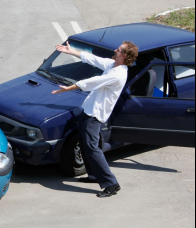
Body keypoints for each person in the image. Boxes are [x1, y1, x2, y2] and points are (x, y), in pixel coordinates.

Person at [52, 41, 139, 198]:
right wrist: (70, 52)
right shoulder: (113, 64)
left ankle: (111, 184)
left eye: (118, 49)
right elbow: (92, 59)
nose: (115, 49)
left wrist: (69, 88)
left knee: (92, 147)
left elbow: (92, 82)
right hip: (89, 110)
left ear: (123, 55)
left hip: (95, 115)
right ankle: (93, 176)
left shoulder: (117, 74)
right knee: (85, 144)